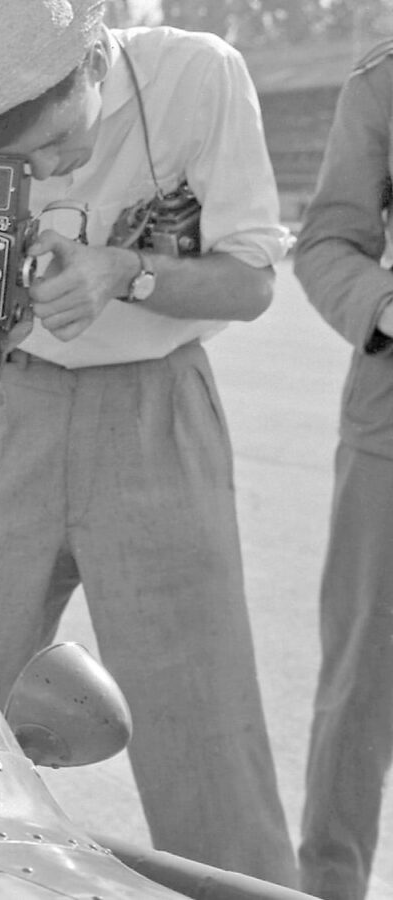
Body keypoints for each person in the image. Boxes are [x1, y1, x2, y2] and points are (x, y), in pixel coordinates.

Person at [0, 0, 295, 883]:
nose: (48, 171)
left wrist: (130, 270)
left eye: (57, 143)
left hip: (155, 415)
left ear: (95, 62)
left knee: (204, 729)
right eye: (17, 162)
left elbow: (252, 283)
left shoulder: (199, 75)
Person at [293, 38, 393, 900]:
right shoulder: (383, 79)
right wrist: (386, 309)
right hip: (391, 427)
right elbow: (325, 244)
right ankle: (330, 887)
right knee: (361, 686)